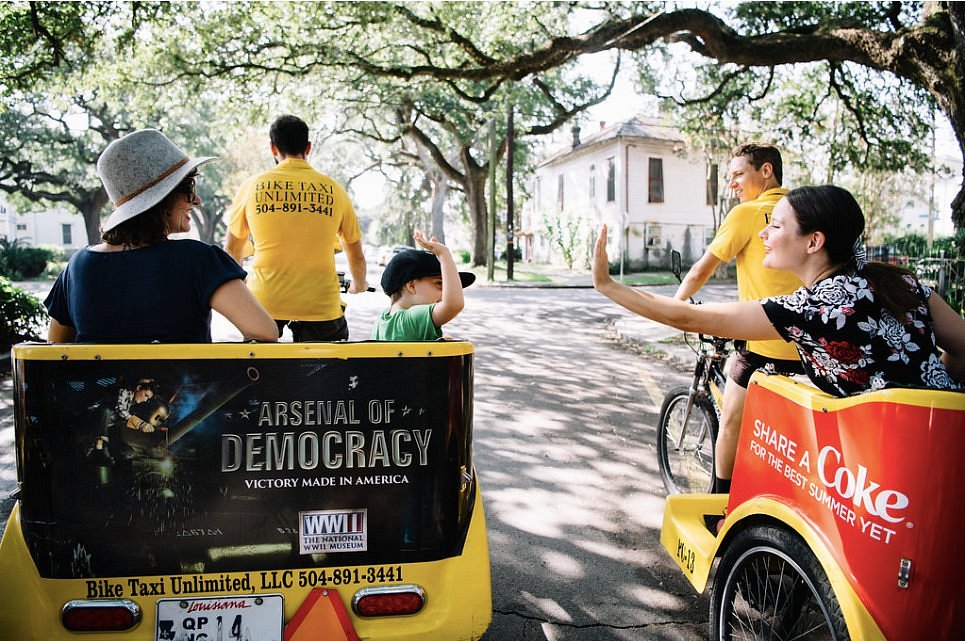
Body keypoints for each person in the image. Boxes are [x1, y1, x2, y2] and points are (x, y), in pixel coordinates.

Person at [593, 185, 964, 400]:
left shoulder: (812, 308)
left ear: (813, 241)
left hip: (880, 482)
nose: (762, 235)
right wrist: (932, 396)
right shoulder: (900, 281)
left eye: (777, 226)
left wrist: (608, 285)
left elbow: (687, 316)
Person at [44, 129, 278, 344]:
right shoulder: (198, 260)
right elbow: (265, 332)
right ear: (162, 199)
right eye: (189, 188)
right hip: (181, 391)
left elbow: (55, 349)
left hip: (98, 390)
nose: (197, 200)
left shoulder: (76, 268)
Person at [675, 142, 803, 494]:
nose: (732, 183)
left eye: (738, 175)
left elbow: (702, 270)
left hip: (766, 346)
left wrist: (676, 305)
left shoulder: (747, 214)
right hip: (812, 345)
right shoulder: (806, 208)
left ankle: (720, 502)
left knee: (731, 421)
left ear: (766, 171)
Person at [223, 114, 369, 341]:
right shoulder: (335, 190)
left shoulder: (252, 186)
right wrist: (359, 284)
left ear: (273, 148)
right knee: (326, 374)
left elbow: (232, 251)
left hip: (264, 302)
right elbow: (356, 255)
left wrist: (243, 292)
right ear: (308, 147)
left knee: (260, 374)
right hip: (321, 304)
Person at [372, 231, 475, 341]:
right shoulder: (411, 319)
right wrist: (444, 253)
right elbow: (453, 304)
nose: (446, 293)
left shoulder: (381, 321)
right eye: (439, 283)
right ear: (412, 286)